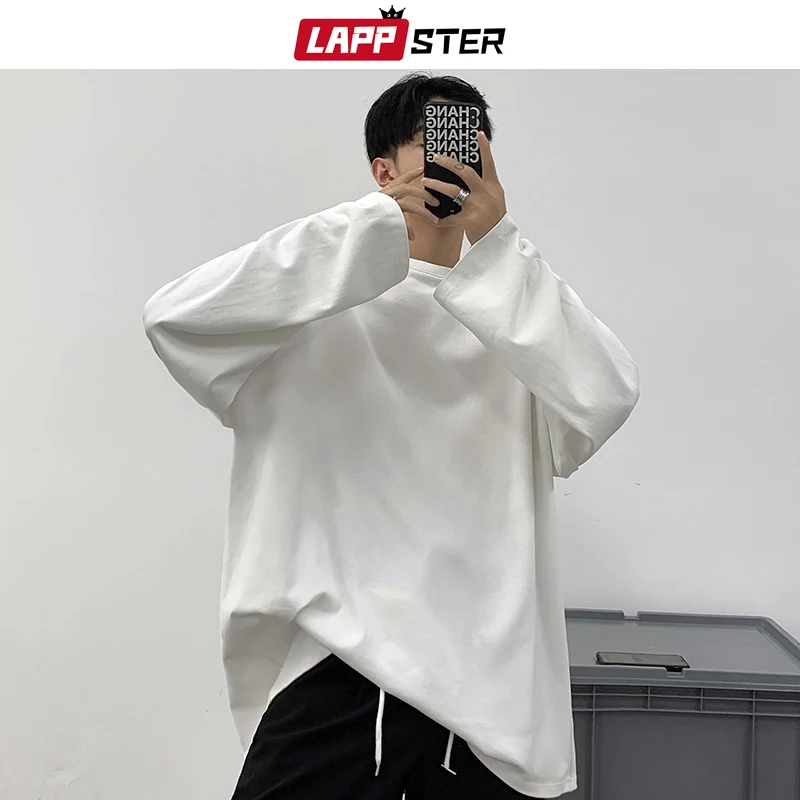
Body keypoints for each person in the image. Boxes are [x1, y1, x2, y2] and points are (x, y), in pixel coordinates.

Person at [142, 72, 641, 799]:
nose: (458, 161)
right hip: (340, 667)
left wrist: (499, 249)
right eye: (436, 144)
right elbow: (174, 319)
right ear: (383, 170)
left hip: (489, 695)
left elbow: (607, 395)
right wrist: (373, 226)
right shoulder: (307, 310)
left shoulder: (516, 320)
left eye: (473, 147)